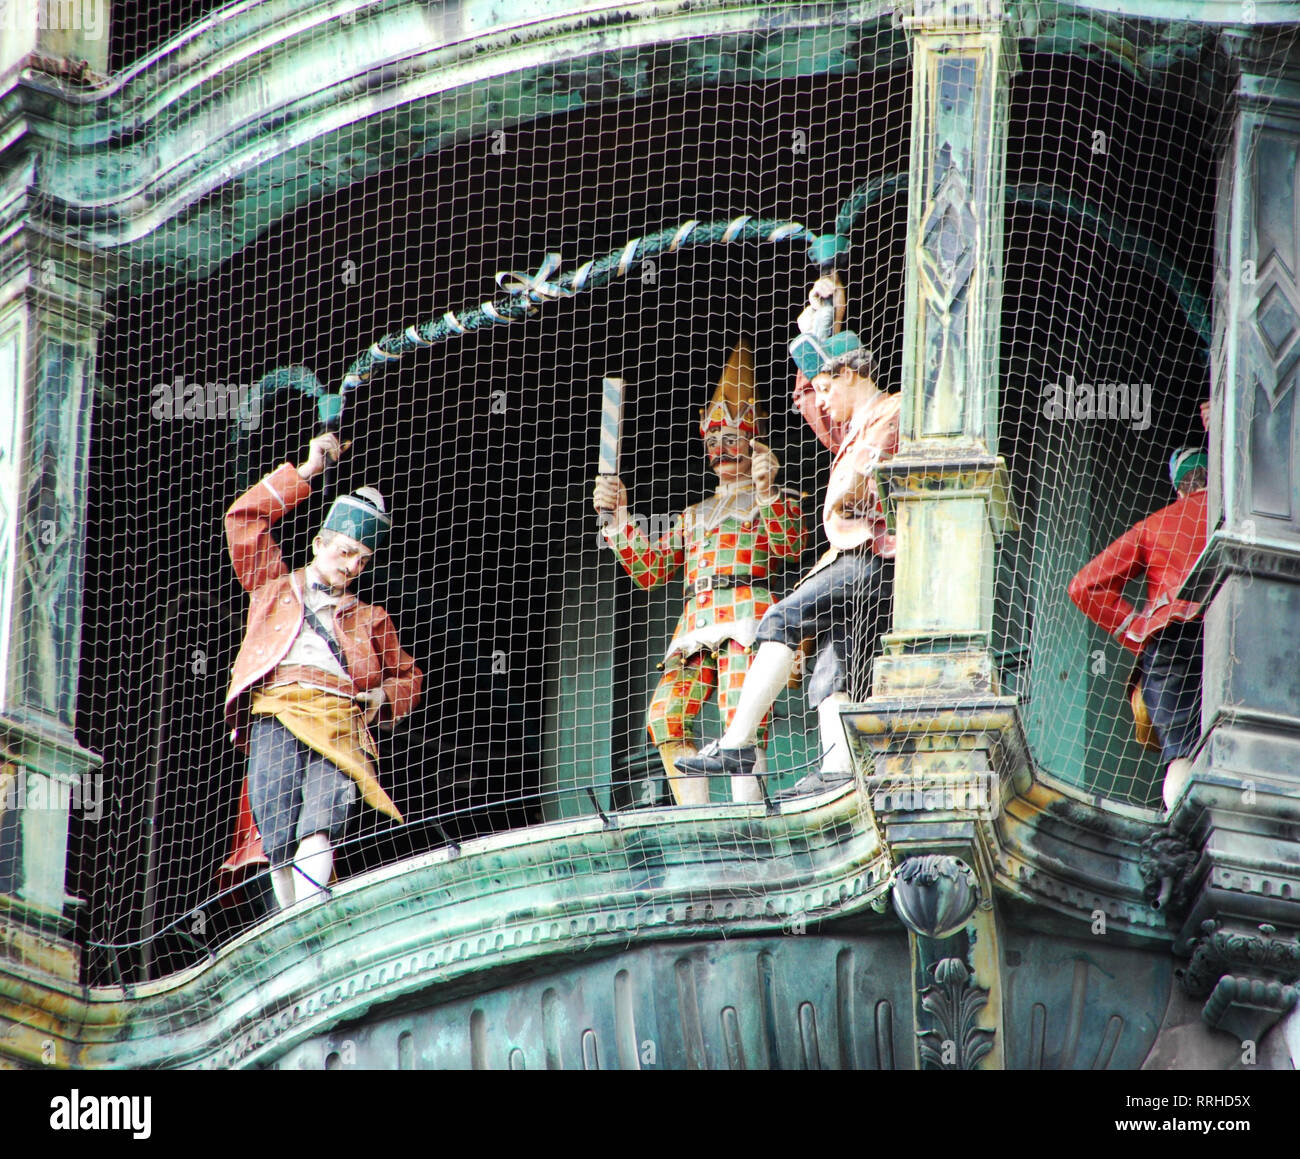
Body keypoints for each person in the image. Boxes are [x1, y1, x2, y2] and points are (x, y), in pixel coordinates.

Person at [676, 329, 899, 795]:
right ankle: (837, 771)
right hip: (853, 562)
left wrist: (840, 494)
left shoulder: (891, 411)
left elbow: (852, 493)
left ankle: (736, 742)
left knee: (781, 619)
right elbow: (808, 399)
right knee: (833, 663)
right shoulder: (849, 430)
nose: (822, 401)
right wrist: (821, 320)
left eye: (827, 387)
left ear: (850, 374)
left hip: (874, 557)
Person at [592, 342, 805, 804]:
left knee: (740, 713)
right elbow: (651, 571)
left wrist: (767, 491)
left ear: (753, 441)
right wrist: (619, 517)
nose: (720, 451)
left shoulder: (773, 498)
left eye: (731, 439)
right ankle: (695, 814)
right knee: (665, 715)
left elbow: (791, 546)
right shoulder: (693, 514)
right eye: (712, 442)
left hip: (748, 614)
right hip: (695, 623)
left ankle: (750, 814)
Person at [223, 433, 422, 908]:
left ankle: (308, 912)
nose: (352, 566)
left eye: (362, 560)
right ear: (318, 544)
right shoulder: (273, 585)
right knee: (275, 825)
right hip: (276, 710)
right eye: (345, 552)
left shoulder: (372, 617)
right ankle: (290, 917)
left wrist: (383, 698)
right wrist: (307, 471)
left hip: (340, 719)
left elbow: (409, 676)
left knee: (321, 820)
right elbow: (242, 520)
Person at [1068, 440, 1209, 810]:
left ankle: (1181, 827)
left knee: (1181, 754)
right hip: (1237, 632)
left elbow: (1083, 586)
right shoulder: (1234, 517)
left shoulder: (1153, 526)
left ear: (1179, 488)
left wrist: (1137, 629)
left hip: (1171, 642)